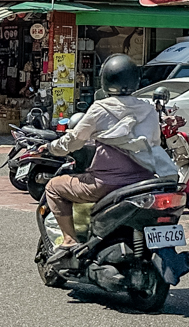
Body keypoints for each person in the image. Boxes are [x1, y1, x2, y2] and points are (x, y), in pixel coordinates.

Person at [41, 54, 162, 268]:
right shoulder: (149, 109)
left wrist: (51, 147)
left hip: (107, 184)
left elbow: (74, 140)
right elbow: (155, 142)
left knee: (53, 187)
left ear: (105, 80)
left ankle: (69, 240)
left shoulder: (100, 108)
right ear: (135, 80)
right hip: (145, 183)